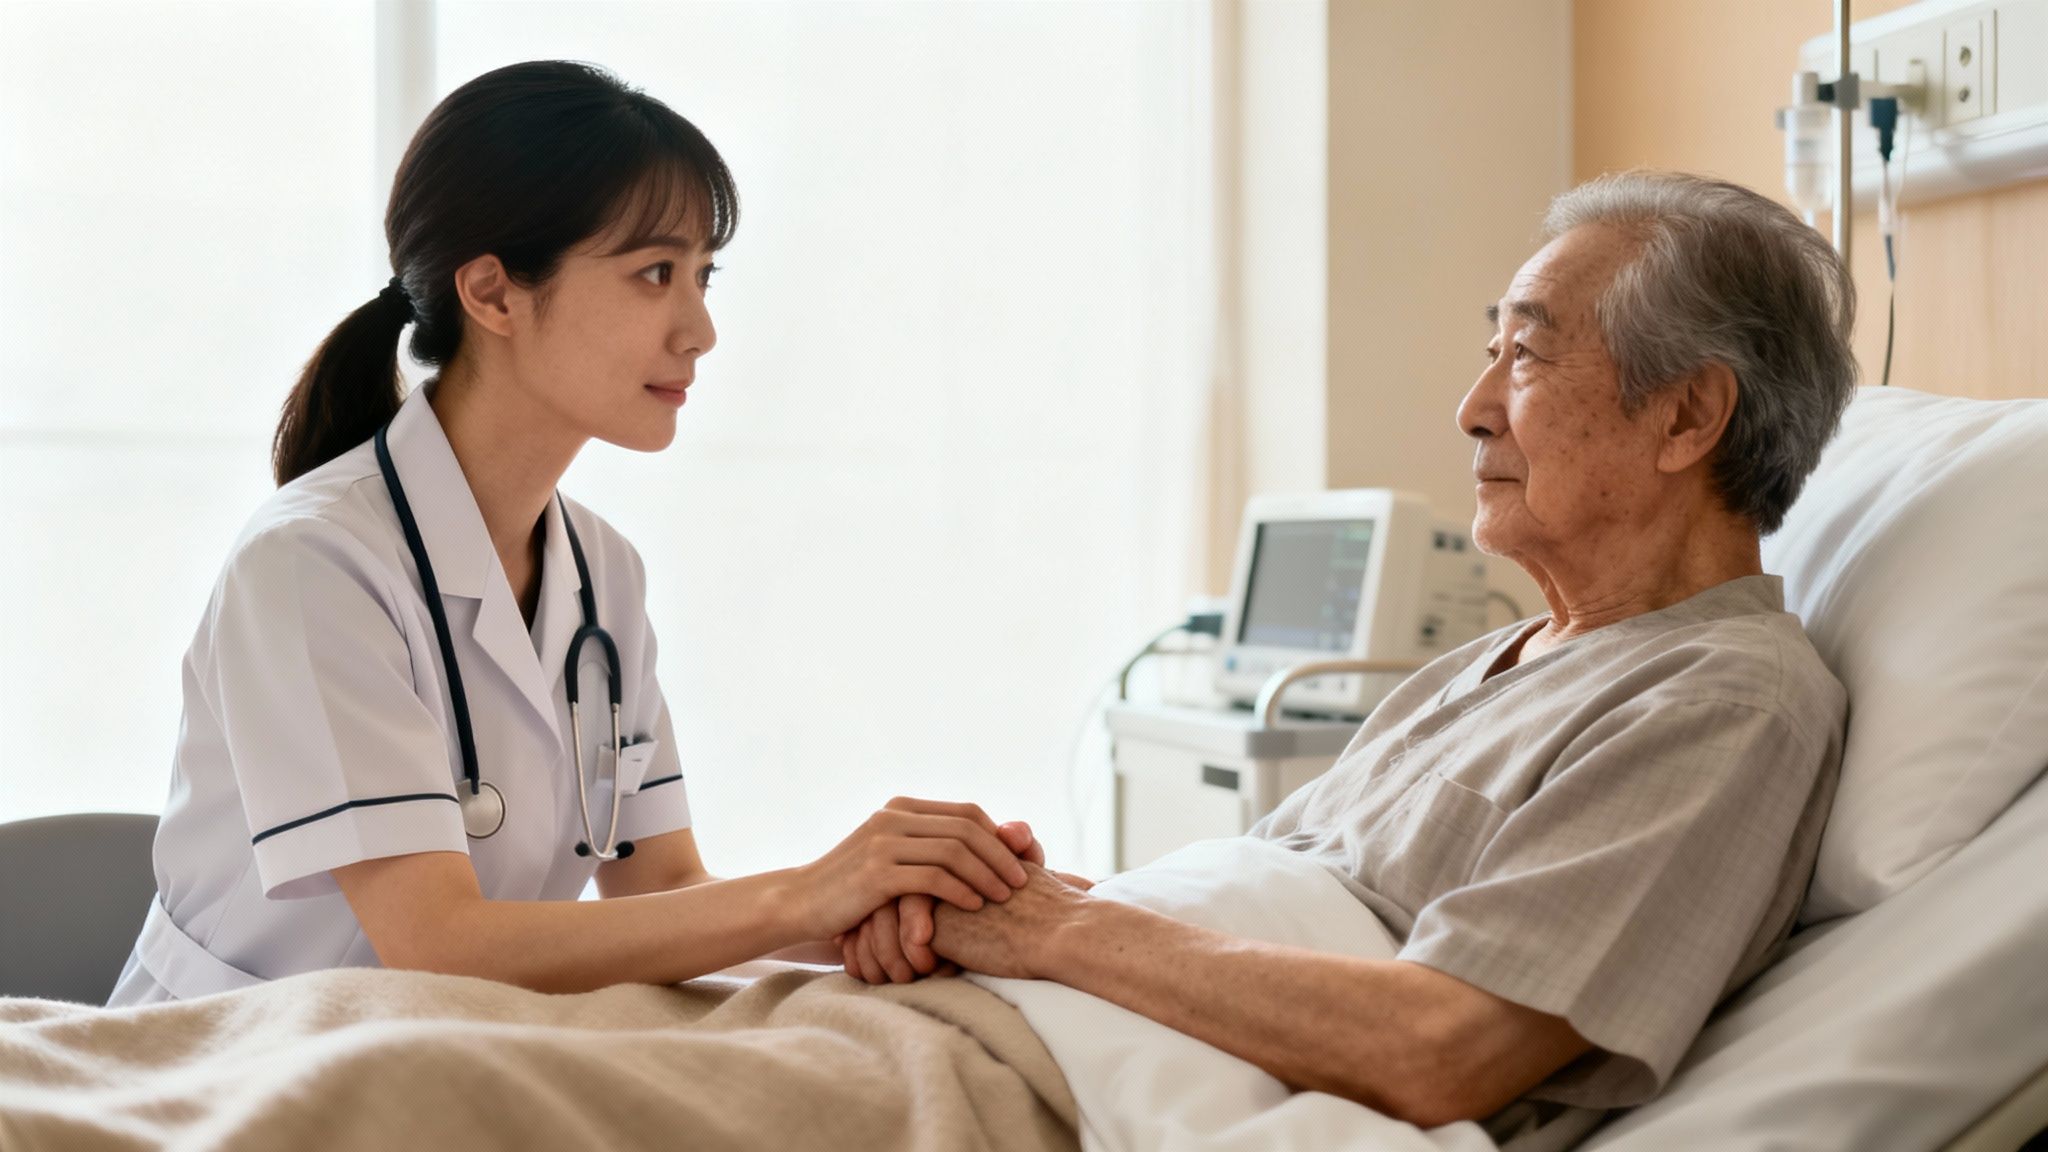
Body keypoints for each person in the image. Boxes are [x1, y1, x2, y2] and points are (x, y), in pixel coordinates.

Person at [841, 170, 1858, 1151]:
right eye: (1488, 351)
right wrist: (975, 903)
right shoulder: (1491, 665)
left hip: (1043, 1094)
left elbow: (1437, 1049)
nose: (1471, 405)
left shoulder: (1723, 700)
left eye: (1526, 358)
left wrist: (1047, 932)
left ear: (1684, 416)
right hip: (1023, 1030)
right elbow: (1246, 910)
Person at [108, 60, 1037, 1008]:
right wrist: (807, 894)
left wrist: (877, 914)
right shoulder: (311, 565)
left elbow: (665, 890)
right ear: (494, 294)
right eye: (655, 273)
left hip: (436, 1059)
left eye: (703, 274)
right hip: (225, 1068)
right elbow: (440, 943)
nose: (701, 328)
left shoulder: (603, 575)